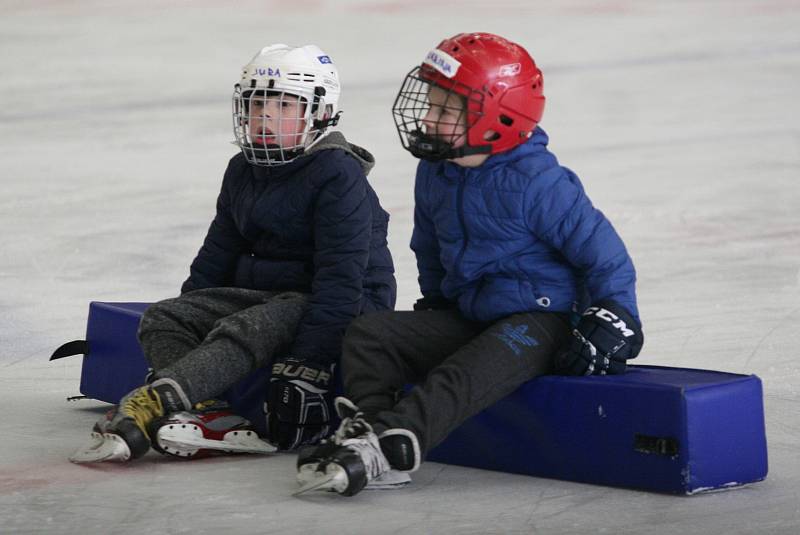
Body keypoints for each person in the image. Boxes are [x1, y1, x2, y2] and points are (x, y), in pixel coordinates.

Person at [295, 33, 643, 496]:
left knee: (464, 373)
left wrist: (617, 315)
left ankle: (397, 444)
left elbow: (604, 254)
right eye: (430, 106)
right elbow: (430, 247)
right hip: (473, 312)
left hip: (541, 319)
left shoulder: (538, 182)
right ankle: (369, 430)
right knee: (370, 334)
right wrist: (437, 300)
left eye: (444, 111)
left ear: (498, 117)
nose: (428, 119)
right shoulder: (436, 170)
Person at [70, 44, 396, 463]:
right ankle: (211, 413)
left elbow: (342, 276)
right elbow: (217, 255)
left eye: (282, 106)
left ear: (318, 112)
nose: (264, 117)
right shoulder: (242, 168)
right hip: (270, 298)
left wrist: (308, 363)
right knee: (164, 316)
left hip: (344, 305)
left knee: (251, 325)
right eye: (256, 104)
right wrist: (190, 310)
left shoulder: (337, 173)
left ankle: (159, 400)